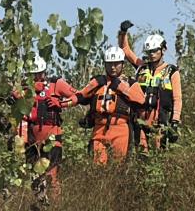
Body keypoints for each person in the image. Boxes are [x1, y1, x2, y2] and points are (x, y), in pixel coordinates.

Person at [74, 46, 147, 164]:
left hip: (121, 128)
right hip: (99, 127)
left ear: (122, 64)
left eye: (116, 64)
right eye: (109, 64)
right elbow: (80, 95)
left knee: (119, 166)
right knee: (97, 166)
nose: (113, 67)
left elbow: (141, 101)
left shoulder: (130, 83)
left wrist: (121, 87)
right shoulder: (98, 82)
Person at [119, 21, 183, 150]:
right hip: (140, 119)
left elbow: (177, 98)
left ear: (163, 50)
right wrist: (123, 32)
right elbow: (125, 51)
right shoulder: (142, 67)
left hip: (160, 119)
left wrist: (175, 122)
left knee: (159, 154)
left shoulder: (172, 71)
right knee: (142, 154)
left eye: (154, 51)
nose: (151, 54)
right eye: (149, 51)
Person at [20, 56, 78, 198]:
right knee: (35, 177)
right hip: (33, 139)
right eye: (33, 75)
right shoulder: (25, 89)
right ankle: (39, 208)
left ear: (44, 72)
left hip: (52, 136)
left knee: (51, 176)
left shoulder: (56, 84)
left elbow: (78, 96)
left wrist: (61, 103)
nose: (37, 78)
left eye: (39, 74)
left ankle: (56, 207)